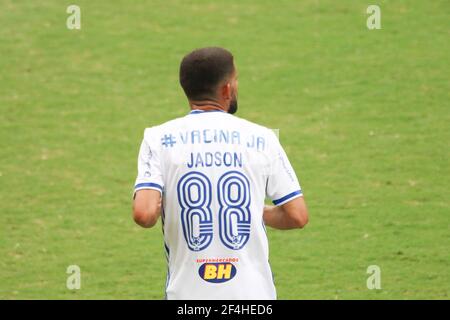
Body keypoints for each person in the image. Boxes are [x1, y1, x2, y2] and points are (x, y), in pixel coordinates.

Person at [132, 47, 309, 300]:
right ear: (226, 89)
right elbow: (297, 216)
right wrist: (251, 210)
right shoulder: (262, 138)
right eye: (235, 80)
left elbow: (144, 213)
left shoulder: (158, 138)